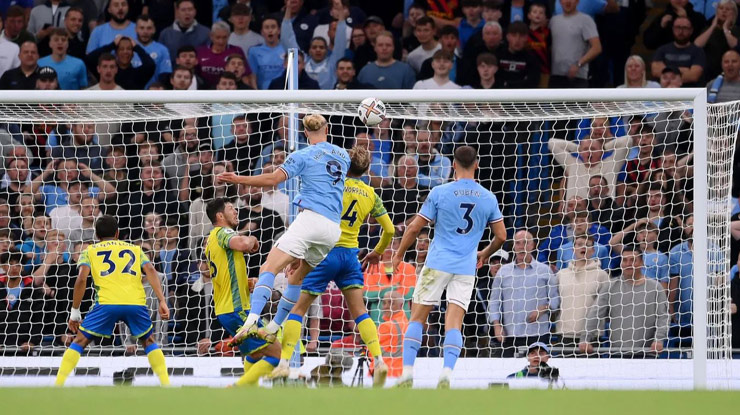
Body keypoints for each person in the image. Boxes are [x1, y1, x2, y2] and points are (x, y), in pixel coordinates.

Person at [216, 114, 350, 347]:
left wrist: (238, 178)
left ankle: (251, 321)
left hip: (310, 219)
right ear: (327, 129)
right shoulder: (344, 155)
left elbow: (273, 179)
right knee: (296, 277)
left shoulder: (302, 155)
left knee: (270, 267)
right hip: (332, 229)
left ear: (305, 133)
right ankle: (273, 327)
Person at [269, 146, 394, 386]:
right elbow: (389, 230)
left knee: (298, 309)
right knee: (360, 313)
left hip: (324, 252)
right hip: (350, 256)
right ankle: (378, 361)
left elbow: (310, 225)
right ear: (367, 169)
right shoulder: (370, 194)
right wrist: (377, 252)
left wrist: (297, 257)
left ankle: (284, 364)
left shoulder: (331, 187)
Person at [392, 145, 507, 388]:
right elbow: (502, 236)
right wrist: (485, 253)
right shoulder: (488, 197)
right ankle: (446, 372)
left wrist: (399, 254)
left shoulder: (440, 192)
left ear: (453, 165)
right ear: (477, 164)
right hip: (465, 267)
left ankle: (408, 373)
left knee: (417, 317)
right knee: (454, 323)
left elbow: (414, 228)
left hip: (437, 263)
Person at [54, 215, 171, 386]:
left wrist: (75, 312)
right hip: (135, 303)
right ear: (117, 233)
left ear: (97, 235)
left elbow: (81, 280)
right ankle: (166, 384)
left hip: (106, 303)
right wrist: (162, 300)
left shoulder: (89, 251)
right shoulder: (134, 249)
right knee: (149, 341)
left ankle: (58, 384)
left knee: (80, 340)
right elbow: (151, 270)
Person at [203, 197, 283, 386]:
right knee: (276, 352)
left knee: (255, 354)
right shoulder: (222, 232)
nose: (236, 211)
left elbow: (223, 274)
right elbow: (244, 244)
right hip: (237, 308)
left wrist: (245, 283)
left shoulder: (211, 240)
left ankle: (249, 394)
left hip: (227, 308)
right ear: (220, 215)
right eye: (231, 208)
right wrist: (253, 238)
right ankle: (238, 389)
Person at [579, 244, 669, 357]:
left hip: (647, 354)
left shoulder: (655, 287)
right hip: (617, 354)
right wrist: (585, 339)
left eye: (633, 260)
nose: (628, 264)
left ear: (642, 263)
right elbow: (595, 313)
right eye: (625, 260)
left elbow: (663, 317)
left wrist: (659, 340)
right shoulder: (611, 286)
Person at [489, 230, 559, 357]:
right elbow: (494, 301)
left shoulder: (545, 270)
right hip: (509, 334)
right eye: (518, 243)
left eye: (526, 243)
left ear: (533, 245)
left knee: (537, 372)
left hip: (538, 333)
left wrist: (543, 309)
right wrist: (496, 325)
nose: (522, 247)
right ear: (513, 246)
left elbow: (555, 299)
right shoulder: (503, 272)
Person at [556, 234, 608, 347]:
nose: (583, 247)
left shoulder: (602, 275)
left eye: (587, 245)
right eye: (579, 244)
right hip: (565, 334)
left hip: (592, 336)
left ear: (593, 250)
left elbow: (606, 306)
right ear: (573, 249)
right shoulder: (561, 275)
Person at [548, 0, 601, 88]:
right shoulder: (553, 21)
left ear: (577, 1)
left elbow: (597, 47)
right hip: (555, 76)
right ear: (560, 2)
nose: (568, 2)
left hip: (578, 77)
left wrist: (578, 64)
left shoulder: (586, 20)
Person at [651, 16, 706, 87]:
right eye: (678, 27)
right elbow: (656, 72)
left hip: (689, 94)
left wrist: (667, 72)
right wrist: (684, 70)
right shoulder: (662, 50)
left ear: (691, 30)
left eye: (685, 28)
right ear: (673, 29)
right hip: (665, 93)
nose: (681, 31)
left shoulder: (698, 51)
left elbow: (693, 76)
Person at [692, 0, 739, 81]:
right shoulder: (708, 29)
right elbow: (697, 45)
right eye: (721, 8)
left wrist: (725, 29)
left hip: (730, 71)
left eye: (727, 9)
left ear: (734, 13)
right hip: (709, 72)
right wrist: (713, 26)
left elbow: (735, 46)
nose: (724, 11)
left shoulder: (737, 30)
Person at [195, 21, 247, 89]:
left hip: (230, 91)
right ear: (211, 36)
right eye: (218, 37)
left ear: (229, 36)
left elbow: (246, 75)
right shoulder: (200, 51)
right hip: (204, 92)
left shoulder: (236, 51)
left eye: (224, 37)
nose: (221, 41)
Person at [496, 21, 540, 88]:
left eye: (521, 36)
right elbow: (495, 80)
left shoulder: (532, 59)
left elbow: (532, 82)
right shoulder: (498, 56)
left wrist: (508, 84)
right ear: (507, 37)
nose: (517, 40)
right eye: (514, 35)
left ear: (526, 38)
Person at [133, 14, 172, 89]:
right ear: (136, 29)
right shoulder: (129, 48)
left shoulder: (162, 50)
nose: (145, 31)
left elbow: (164, 75)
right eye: (142, 28)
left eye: (149, 28)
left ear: (154, 30)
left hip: (153, 95)